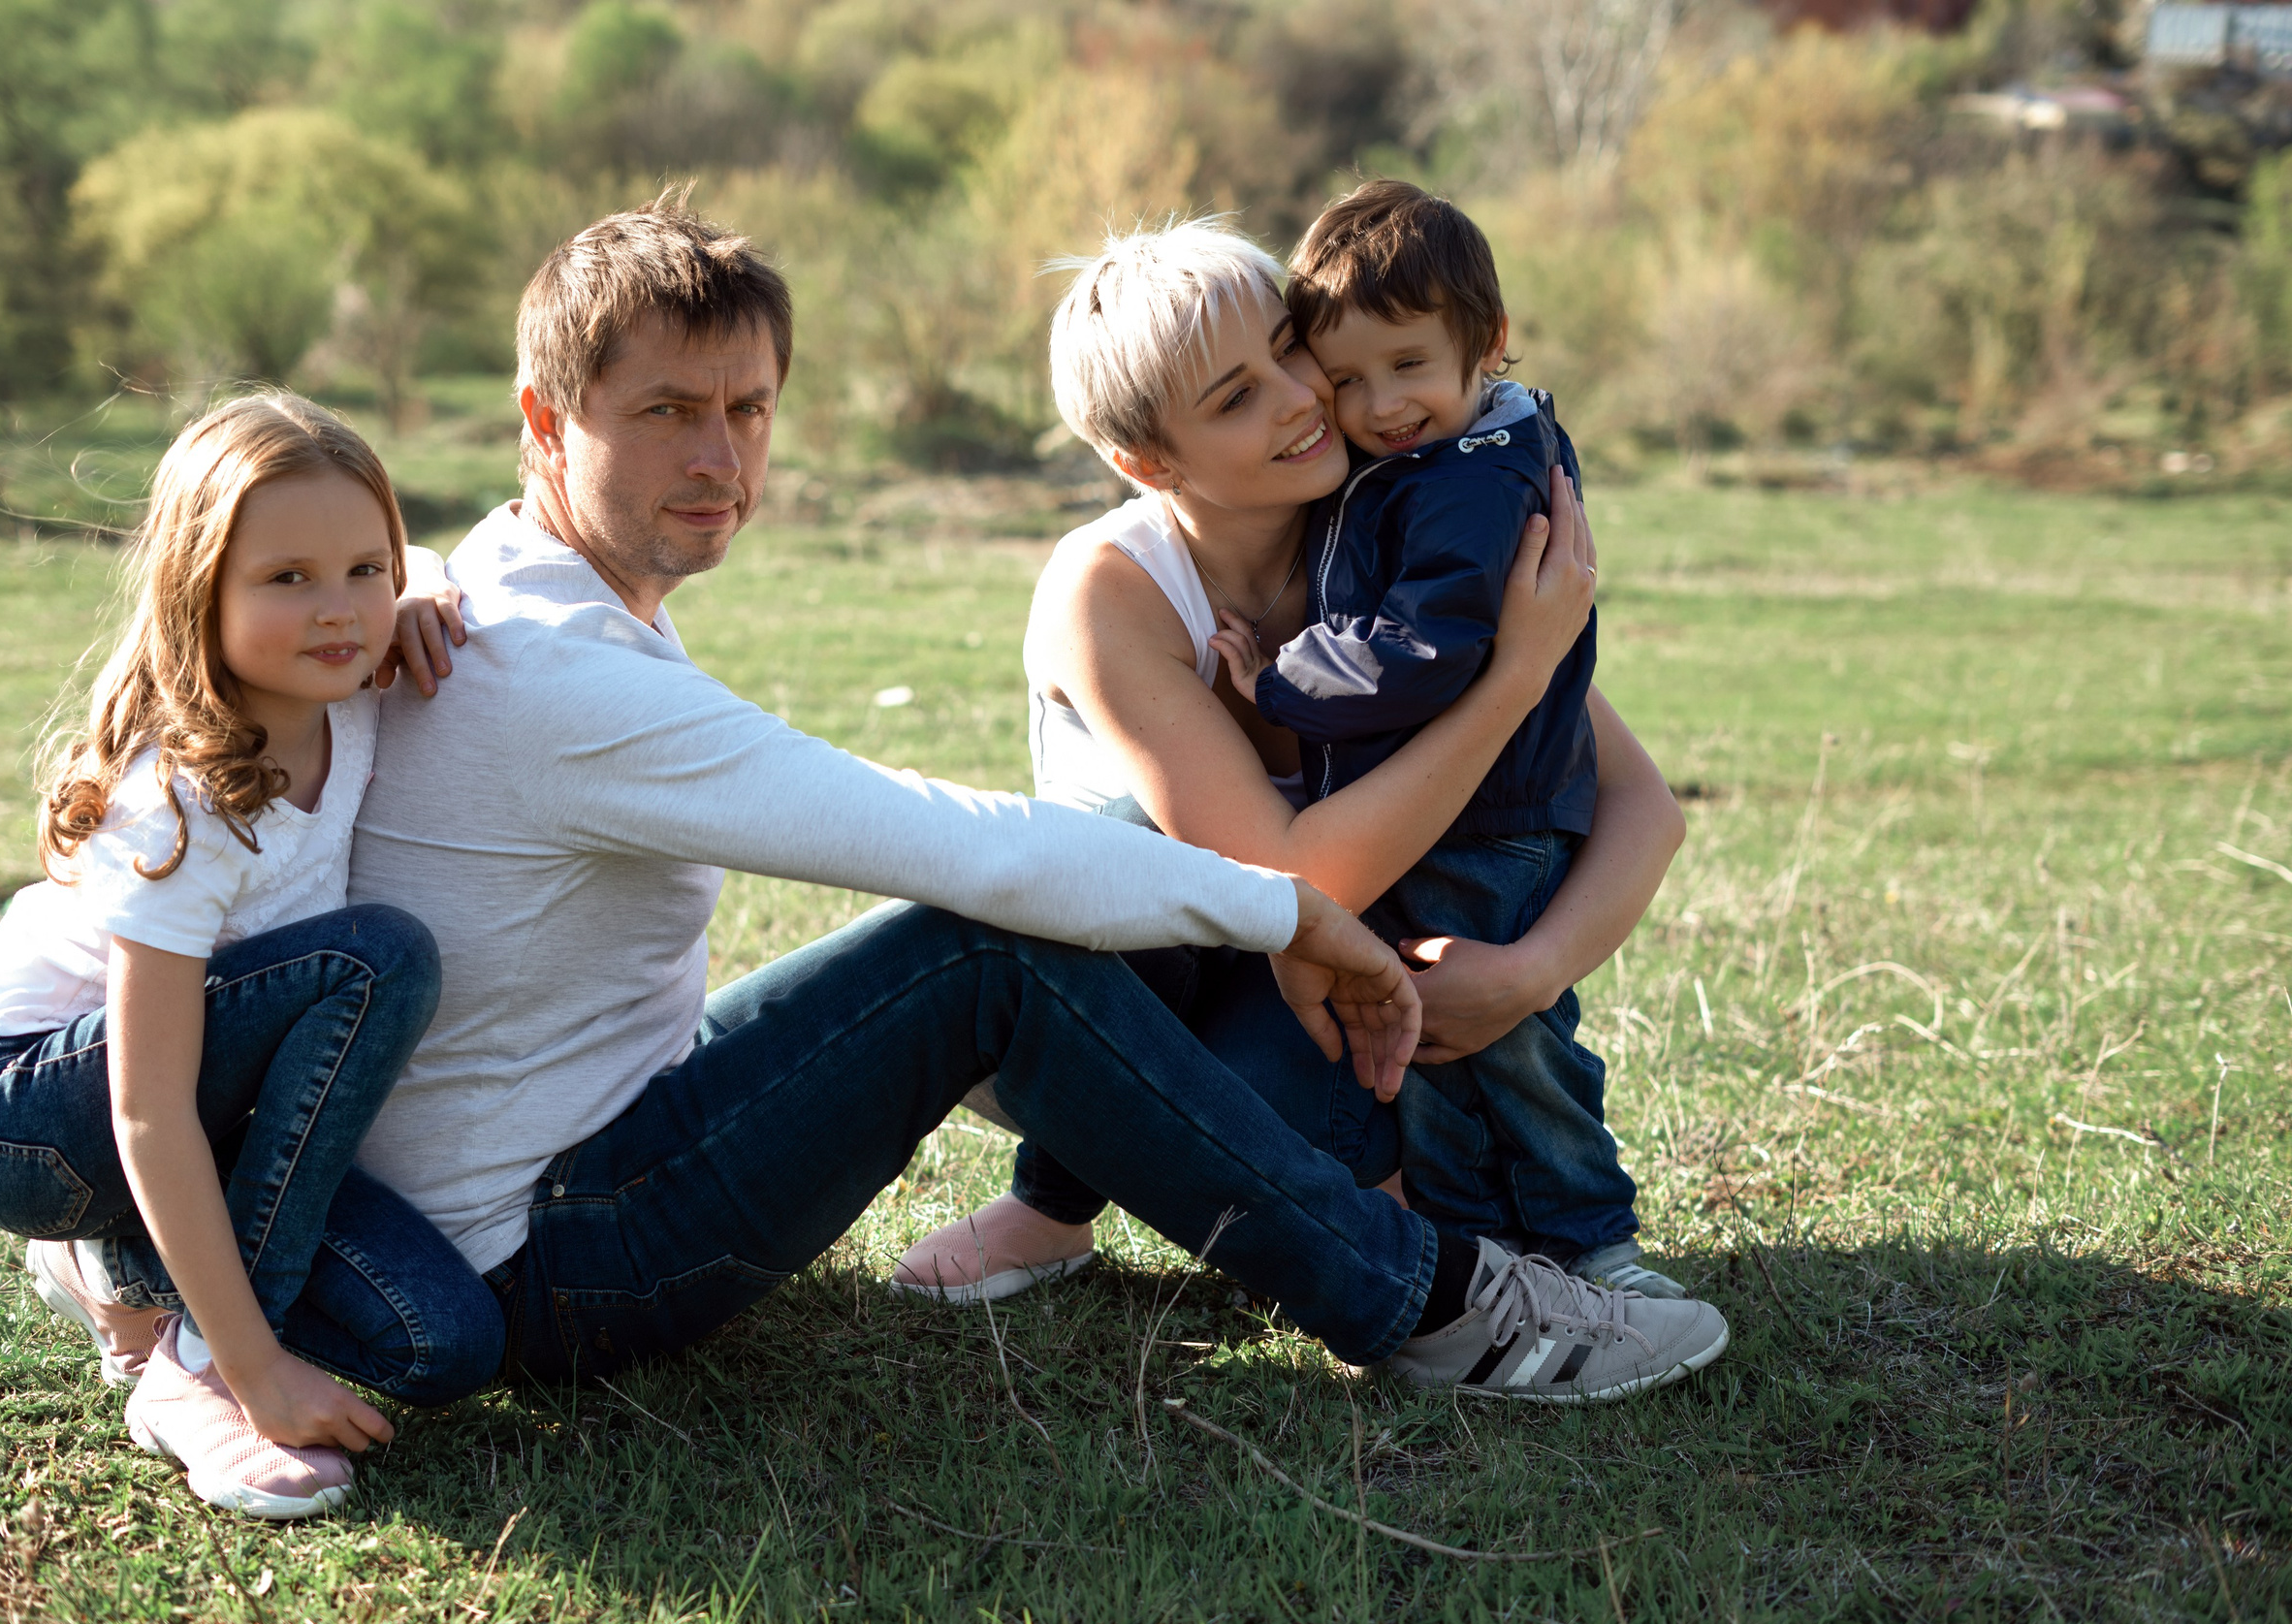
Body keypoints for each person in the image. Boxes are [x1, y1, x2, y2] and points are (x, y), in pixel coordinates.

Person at [352, 194, 1724, 1405]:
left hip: (611, 1126)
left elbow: (1633, 798)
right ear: (545, 422)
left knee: (1033, 931)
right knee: (989, 940)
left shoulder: (508, 592)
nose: (721, 457)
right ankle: (1433, 1309)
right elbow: (940, 844)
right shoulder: (552, 667)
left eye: (748, 409)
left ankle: (1356, 1207)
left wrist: (412, 573)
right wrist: (1297, 914)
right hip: (560, 1250)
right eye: (668, 413)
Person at [895, 216, 1725, 1397]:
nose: (1301, 397)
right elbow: (1296, 878)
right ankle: (1057, 1193)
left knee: (1386, 1156)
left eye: (1292, 350)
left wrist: (1529, 973)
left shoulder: (1394, 534)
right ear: (1149, 460)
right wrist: (1513, 677)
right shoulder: (1113, 588)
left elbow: (1644, 806)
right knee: (1139, 870)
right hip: (1124, 992)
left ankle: (1273, 1181)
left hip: (1321, 984)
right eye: (1237, 396)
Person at [0, 395, 498, 1520]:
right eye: (286, 578)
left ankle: (110, 1267)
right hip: (30, 1116)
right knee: (375, 960)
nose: (338, 609)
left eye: (364, 570)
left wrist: (422, 583)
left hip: (198, 1097)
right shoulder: (180, 803)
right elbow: (145, 1109)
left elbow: (408, 567)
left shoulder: (350, 688)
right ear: (199, 589)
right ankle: (191, 1368)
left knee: (447, 1341)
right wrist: (252, 1363)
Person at [1213, 179, 1681, 1298]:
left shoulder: (1474, 481)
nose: (1380, 404)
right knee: (1430, 1045)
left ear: (1489, 340)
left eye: (1408, 364)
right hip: (1451, 812)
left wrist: (1282, 679)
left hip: (1487, 821)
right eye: (1346, 378)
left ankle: (1593, 1242)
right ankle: (1485, 1244)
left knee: (1510, 1043)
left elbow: (1427, 649)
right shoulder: (1438, 456)